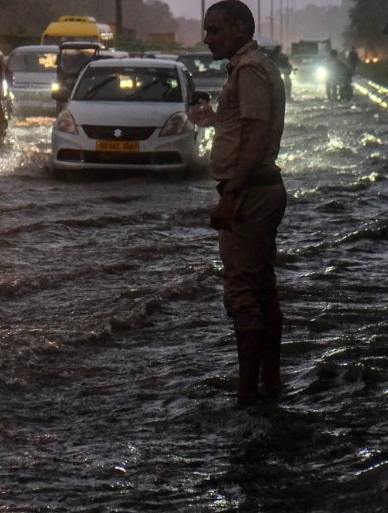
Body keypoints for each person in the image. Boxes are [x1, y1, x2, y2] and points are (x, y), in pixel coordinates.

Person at [188, 0, 287, 406]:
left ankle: (248, 394)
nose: (207, 37)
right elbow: (245, 127)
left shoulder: (248, 70)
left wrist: (230, 196)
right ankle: (269, 383)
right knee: (263, 288)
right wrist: (215, 119)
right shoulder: (250, 68)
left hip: (250, 193)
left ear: (240, 30)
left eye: (215, 30)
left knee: (242, 293)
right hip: (259, 190)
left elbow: (256, 137)